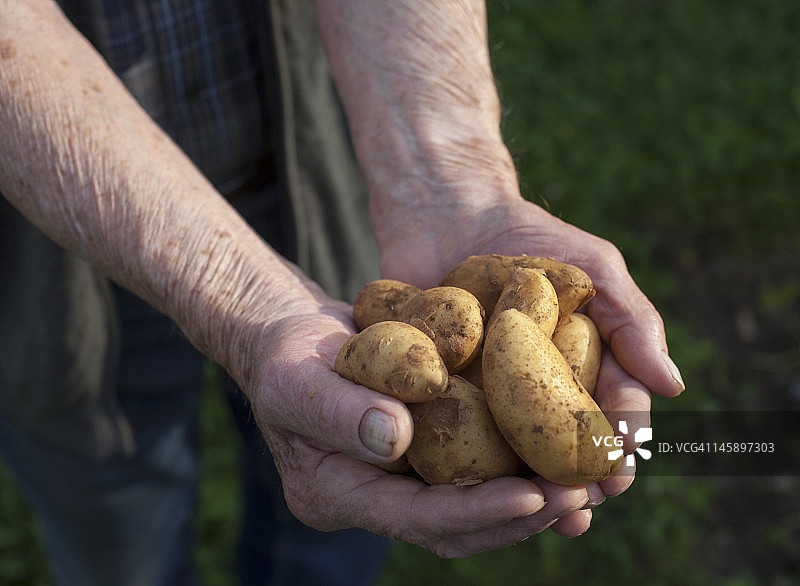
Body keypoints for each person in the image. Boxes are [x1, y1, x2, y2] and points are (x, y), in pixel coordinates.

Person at [0, 1, 685, 585]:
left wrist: (447, 178)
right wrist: (240, 301)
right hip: (48, 234)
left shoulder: (442, 316)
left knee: (344, 470)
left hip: (314, 161)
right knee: (114, 509)